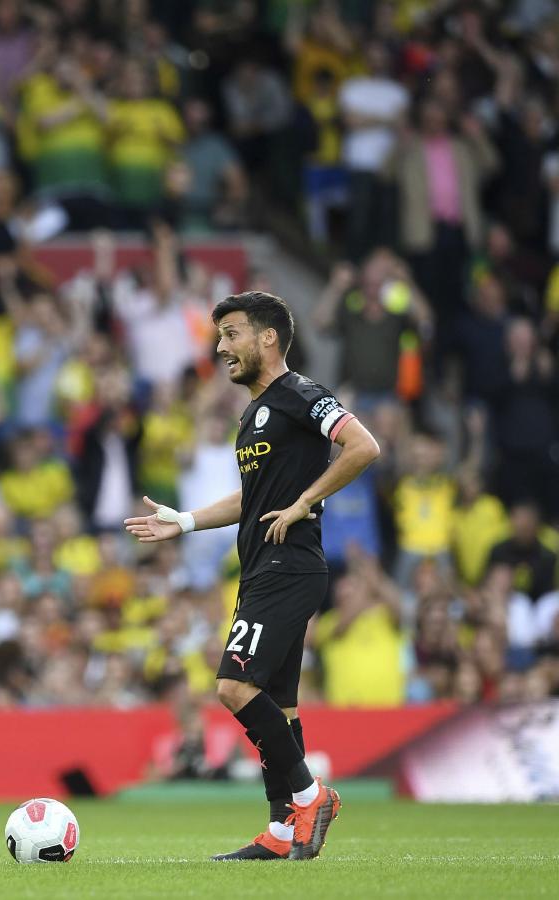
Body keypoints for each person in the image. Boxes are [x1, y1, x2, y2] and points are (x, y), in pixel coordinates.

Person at [124, 291, 380, 861]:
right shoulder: (253, 414)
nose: (222, 347)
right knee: (279, 706)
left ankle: (312, 797)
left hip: (289, 566)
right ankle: (282, 831)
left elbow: (363, 447)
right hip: (266, 566)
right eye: (219, 337)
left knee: (234, 686)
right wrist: (185, 521)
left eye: (232, 334)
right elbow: (255, 497)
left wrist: (303, 502)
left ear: (268, 337)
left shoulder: (300, 394)